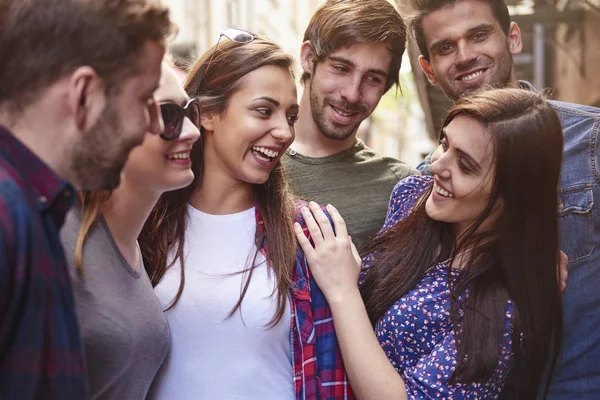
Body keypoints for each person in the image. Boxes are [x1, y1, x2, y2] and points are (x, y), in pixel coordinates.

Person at [297, 88, 564, 399]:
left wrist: (343, 290)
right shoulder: (413, 196)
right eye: (444, 144)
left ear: (512, 197)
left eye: (465, 165)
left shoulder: (504, 308)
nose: (437, 165)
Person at [404, 0, 600, 397]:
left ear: (512, 38)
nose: (465, 56)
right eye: (445, 48)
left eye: (478, 35)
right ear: (428, 70)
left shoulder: (591, 141)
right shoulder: (428, 184)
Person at [142, 31, 352, 400]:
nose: (284, 132)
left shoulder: (309, 233)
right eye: (263, 110)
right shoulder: (146, 222)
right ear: (206, 113)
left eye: (290, 116)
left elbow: (334, 376)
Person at [0, 0, 173, 397]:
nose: (153, 123)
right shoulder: (9, 214)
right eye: (144, 98)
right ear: (84, 94)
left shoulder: (39, 210)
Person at [59, 59, 201, 399]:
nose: (193, 131)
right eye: (168, 115)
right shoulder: (53, 234)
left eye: (189, 111)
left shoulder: (136, 247)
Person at [282, 0, 418, 249]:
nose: (352, 94)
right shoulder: (254, 160)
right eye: (341, 68)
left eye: (373, 79)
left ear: (386, 86)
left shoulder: (402, 189)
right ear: (309, 58)